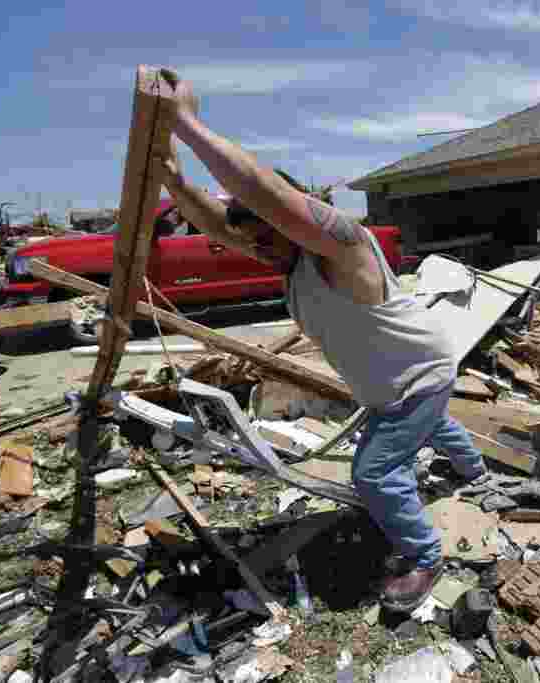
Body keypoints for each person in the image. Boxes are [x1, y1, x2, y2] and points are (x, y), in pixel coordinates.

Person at [152, 68, 488, 613]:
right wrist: (177, 184)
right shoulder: (288, 257)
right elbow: (222, 224)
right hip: (400, 383)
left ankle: (425, 555)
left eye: (267, 230)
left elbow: (267, 195)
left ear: (289, 218)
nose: (256, 246)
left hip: (418, 377)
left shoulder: (344, 248)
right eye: (253, 237)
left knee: (374, 472)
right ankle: (475, 471)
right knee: (434, 424)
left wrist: (186, 123)